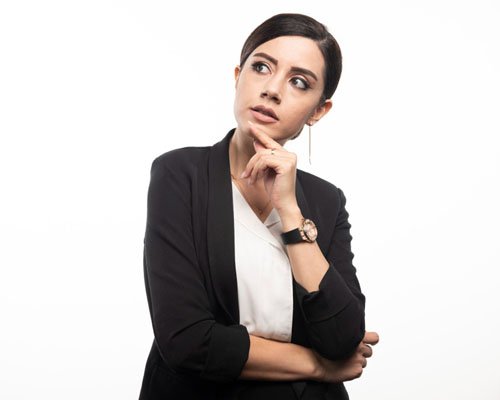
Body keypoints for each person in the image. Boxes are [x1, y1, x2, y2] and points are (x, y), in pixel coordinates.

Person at [139, 13, 379, 400]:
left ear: (318, 111)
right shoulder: (179, 174)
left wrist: (290, 212)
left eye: (299, 82)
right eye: (262, 67)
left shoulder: (326, 200)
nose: (272, 90)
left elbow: (342, 337)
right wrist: (319, 366)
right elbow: (186, 341)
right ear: (238, 76)